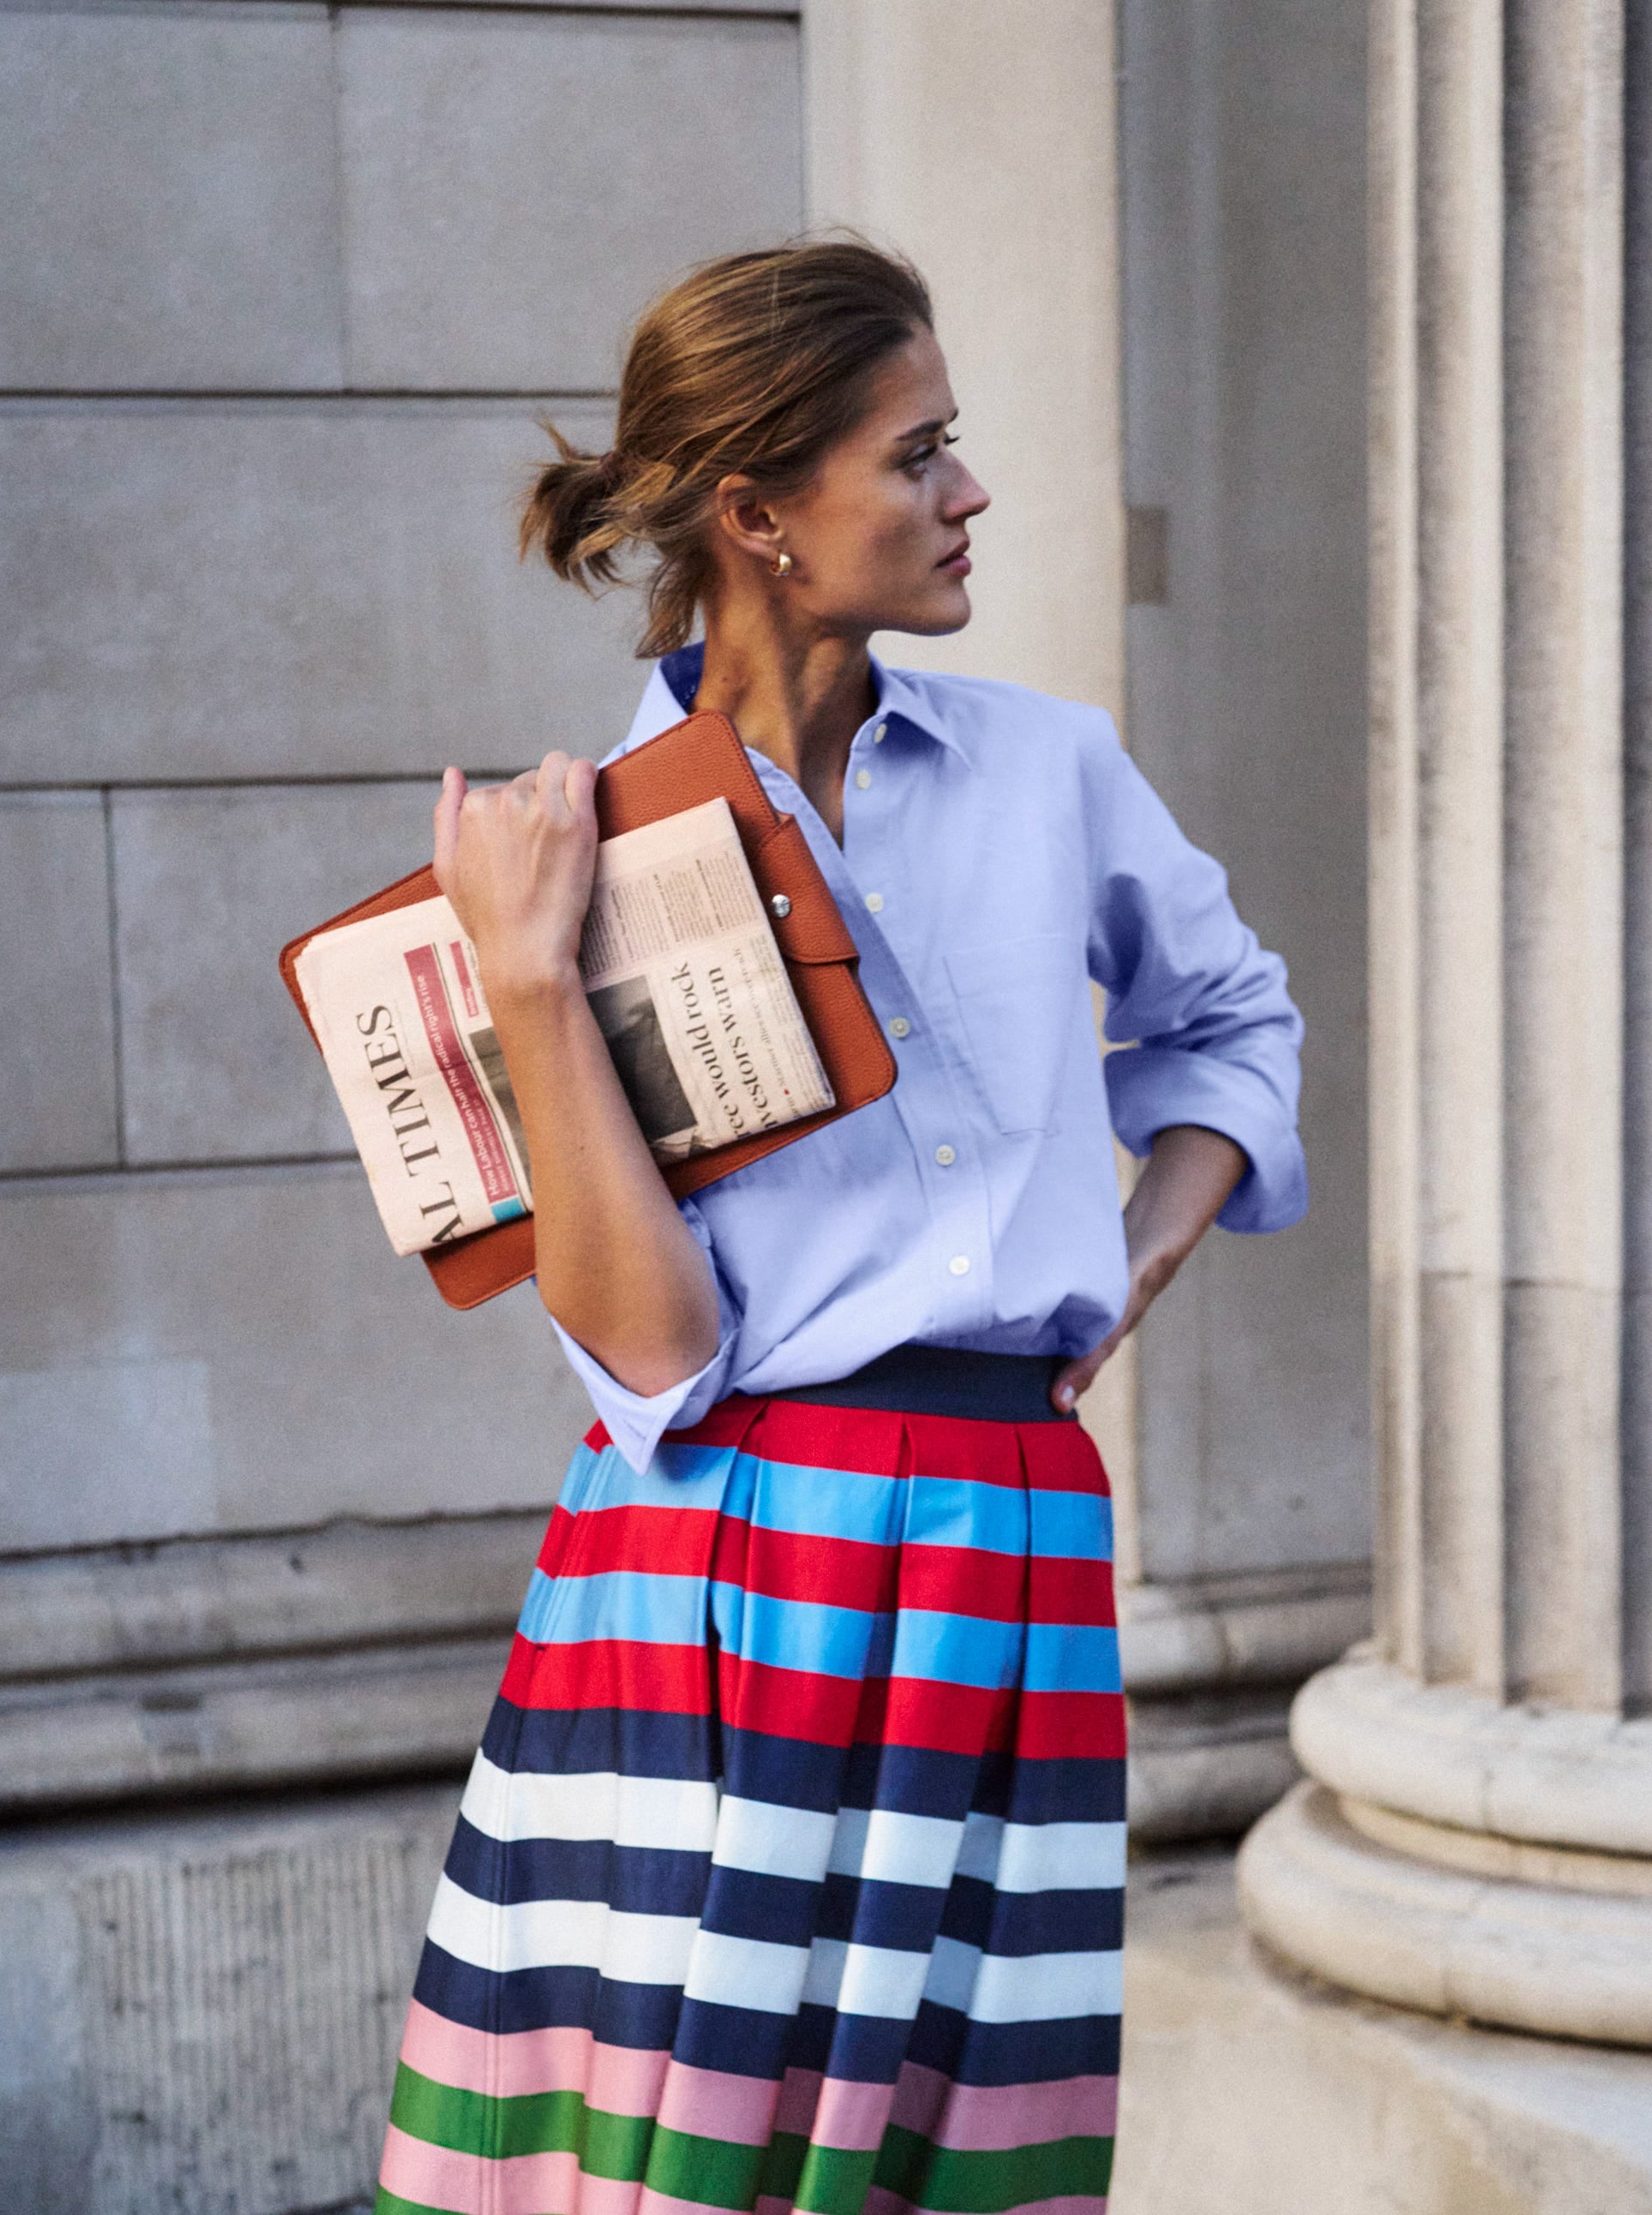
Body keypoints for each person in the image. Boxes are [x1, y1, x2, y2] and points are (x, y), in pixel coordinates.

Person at [375, 239, 1305, 2215]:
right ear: (758, 515)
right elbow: (645, 1355)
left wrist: (1134, 1257)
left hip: (1010, 1531)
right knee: (684, 2151)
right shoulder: (566, 856)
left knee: (950, 2150)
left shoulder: (1052, 768)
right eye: (921, 457)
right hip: (718, 1561)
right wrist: (531, 985)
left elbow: (1231, 1021)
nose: (968, 495)